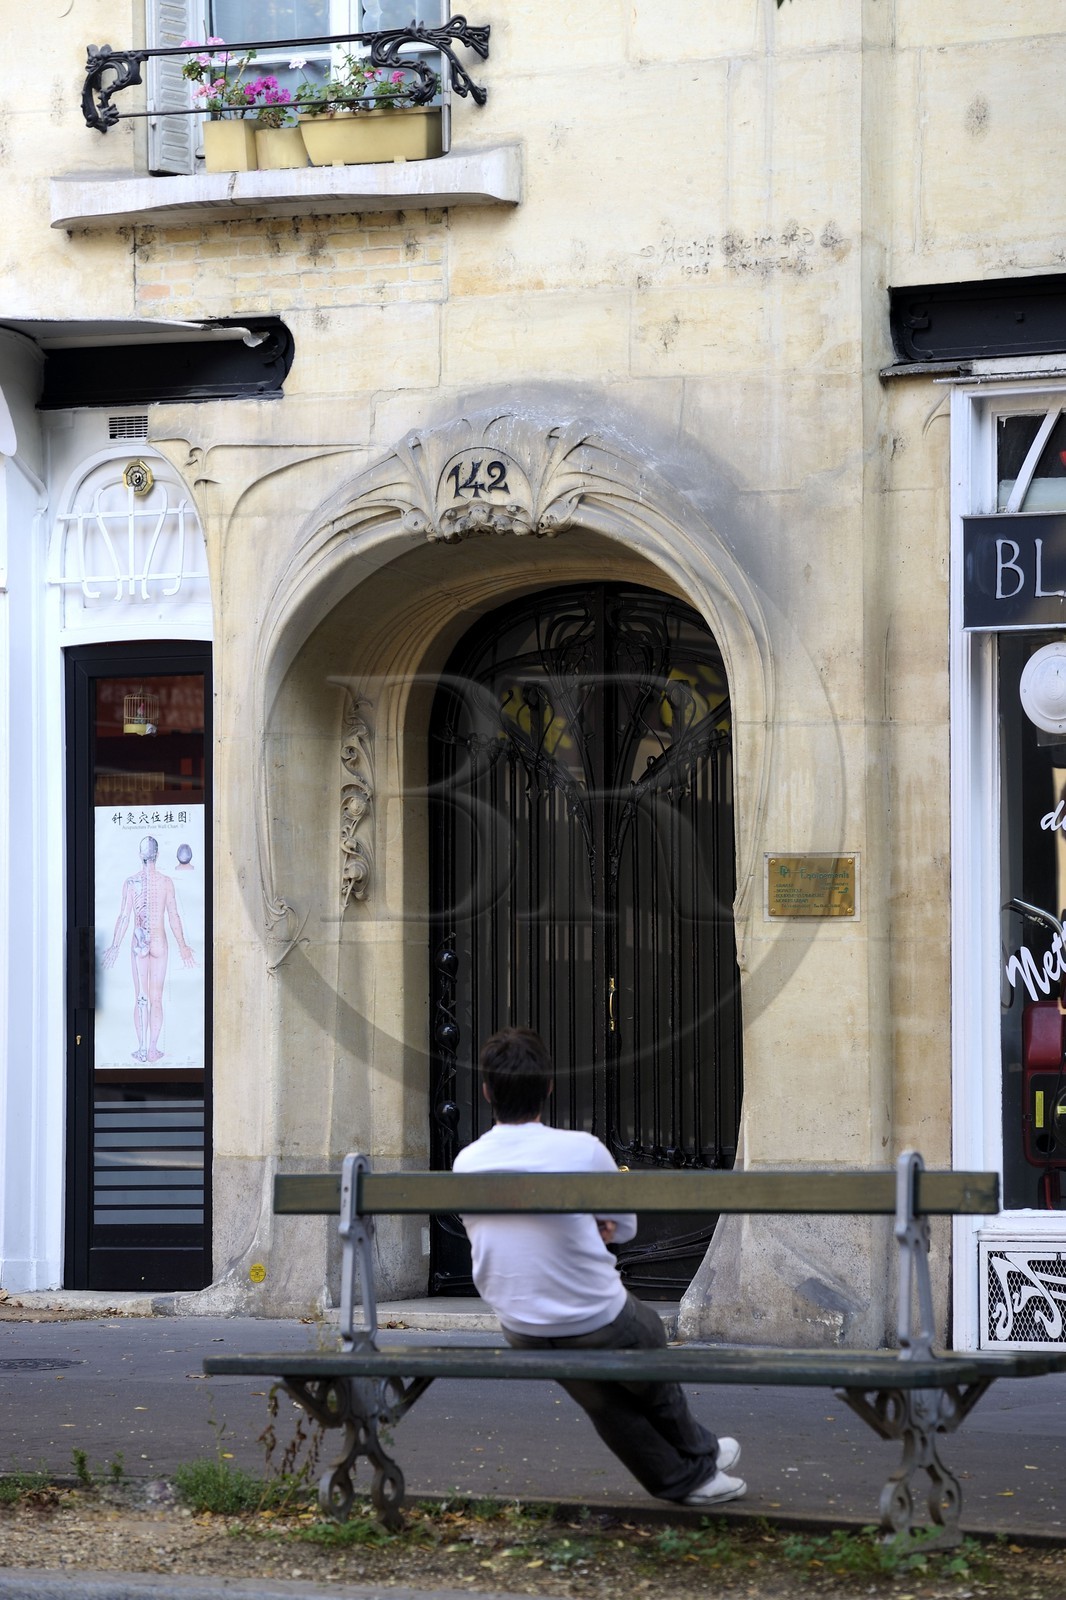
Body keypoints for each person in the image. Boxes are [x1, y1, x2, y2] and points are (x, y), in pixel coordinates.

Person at [453, 1026, 746, 1507]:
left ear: (486, 1092)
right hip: (592, 1316)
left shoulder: (468, 1161)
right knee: (645, 1336)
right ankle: (698, 1458)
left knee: (602, 1398)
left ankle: (693, 1470)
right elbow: (624, 1230)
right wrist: (588, 1224)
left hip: (519, 1324)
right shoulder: (582, 1150)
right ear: (549, 1087)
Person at [101, 835, 196, 1063]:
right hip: (159, 942)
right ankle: (153, 1049)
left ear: (139, 855)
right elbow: (173, 915)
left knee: (141, 997)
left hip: (139, 942)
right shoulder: (165, 882)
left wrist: (115, 945)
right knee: (156, 998)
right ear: (157, 855)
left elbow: (124, 916)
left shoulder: (131, 882)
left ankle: (142, 1049)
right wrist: (182, 945)